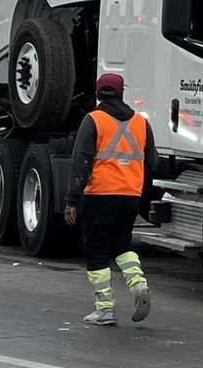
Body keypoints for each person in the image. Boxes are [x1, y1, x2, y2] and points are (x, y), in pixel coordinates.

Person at [65, 73, 157, 326]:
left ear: (98, 93)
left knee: (97, 251)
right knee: (122, 245)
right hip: (130, 195)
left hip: (100, 195)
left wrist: (72, 199)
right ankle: (138, 284)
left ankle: (104, 308)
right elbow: (153, 163)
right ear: (121, 93)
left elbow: (81, 162)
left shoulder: (93, 120)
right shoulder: (140, 122)